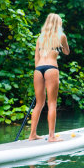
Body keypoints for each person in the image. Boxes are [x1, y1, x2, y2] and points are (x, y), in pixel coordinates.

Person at [29, 13, 70, 141]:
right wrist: (62, 45)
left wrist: (38, 73)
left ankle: (32, 135)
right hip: (51, 68)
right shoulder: (61, 36)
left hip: (38, 69)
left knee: (39, 103)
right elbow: (67, 52)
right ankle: (52, 136)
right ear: (58, 23)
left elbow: (36, 58)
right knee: (51, 103)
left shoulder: (40, 38)